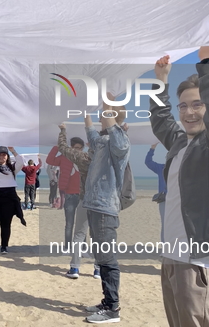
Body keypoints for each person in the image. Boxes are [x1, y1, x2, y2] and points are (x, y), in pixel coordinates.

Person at [148, 47, 209, 327]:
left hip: (203, 261)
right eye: (184, 106)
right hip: (173, 257)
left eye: (198, 104)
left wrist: (207, 66)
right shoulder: (180, 142)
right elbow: (161, 120)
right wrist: (161, 82)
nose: (189, 112)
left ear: (208, 107)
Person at [81, 95, 130, 324]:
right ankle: (106, 301)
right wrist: (86, 114)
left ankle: (112, 308)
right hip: (93, 205)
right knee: (101, 257)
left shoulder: (120, 141)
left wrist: (107, 107)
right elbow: (92, 134)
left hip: (105, 207)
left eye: (105, 116)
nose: (102, 118)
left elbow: (118, 141)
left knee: (107, 259)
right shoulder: (102, 142)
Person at [57, 123, 100, 280]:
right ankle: (98, 270)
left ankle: (75, 268)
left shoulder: (84, 158)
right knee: (98, 237)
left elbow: (62, 147)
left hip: (85, 199)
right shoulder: (108, 158)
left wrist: (63, 130)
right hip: (102, 202)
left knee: (79, 235)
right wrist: (124, 132)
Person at [46, 139, 83, 251]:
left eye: (81, 148)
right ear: (71, 148)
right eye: (76, 148)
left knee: (82, 225)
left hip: (83, 195)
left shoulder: (84, 158)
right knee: (69, 223)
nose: (79, 150)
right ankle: (67, 248)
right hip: (69, 195)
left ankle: (82, 248)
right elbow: (49, 160)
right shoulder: (64, 157)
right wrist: (57, 147)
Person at [145, 143, 167, 242]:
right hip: (164, 200)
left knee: (178, 225)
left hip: (178, 201)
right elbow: (148, 162)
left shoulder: (181, 168)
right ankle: (165, 249)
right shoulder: (161, 168)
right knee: (165, 224)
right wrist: (152, 148)